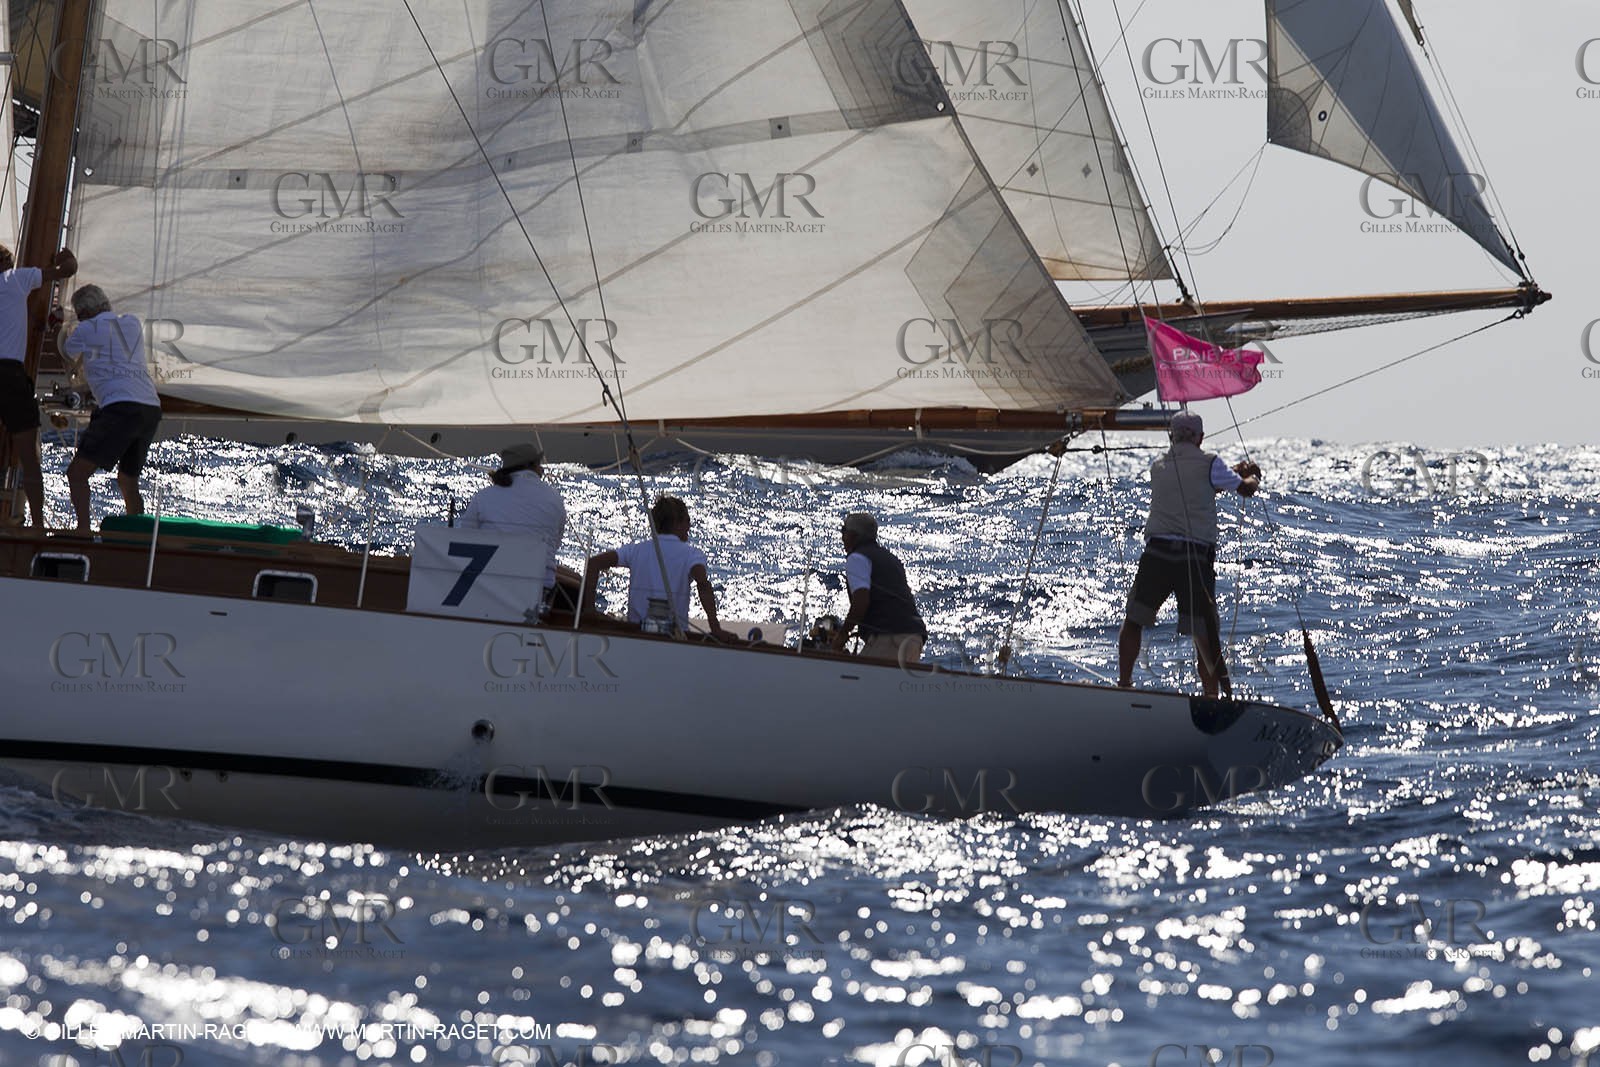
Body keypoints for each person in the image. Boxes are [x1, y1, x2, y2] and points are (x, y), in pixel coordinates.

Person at [1117, 410, 1261, 698]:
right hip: (1194, 559)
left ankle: (1124, 683)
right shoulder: (1210, 462)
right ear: (1201, 438)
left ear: (1171, 436)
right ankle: (1211, 697)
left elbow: (1194, 486)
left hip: (1157, 554)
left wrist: (1229, 472)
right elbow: (1244, 490)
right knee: (1203, 633)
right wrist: (1253, 476)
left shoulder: (1158, 465)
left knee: (1133, 621)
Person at [59, 285, 163, 534]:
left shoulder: (86, 329)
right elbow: (115, 363)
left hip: (120, 409)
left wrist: (59, 327)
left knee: (77, 474)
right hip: (150, 408)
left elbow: (66, 353)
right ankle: (137, 535)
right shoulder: (131, 323)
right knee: (128, 480)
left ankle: (83, 532)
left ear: (83, 313)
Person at [0, 243, 77, 527]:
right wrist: (65, 257)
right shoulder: (16, 278)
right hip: (10, 375)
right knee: (29, 459)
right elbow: (67, 270)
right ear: (7, 264)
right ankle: (38, 527)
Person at [582, 495, 730, 639]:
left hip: (635, 634)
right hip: (673, 636)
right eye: (687, 521)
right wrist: (715, 628)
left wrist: (589, 610)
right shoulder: (692, 555)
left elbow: (594, 563)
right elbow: (703, 585)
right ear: (677, 523)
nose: (689, 526)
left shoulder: (635, 550)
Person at [458, 442, 569, 606]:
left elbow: (464, 539)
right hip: (538, 590)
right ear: (533, 466)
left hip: (490, 585)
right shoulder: (555, 499)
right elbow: (555, 543)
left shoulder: (484, 497)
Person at [831, 511, 927, 663]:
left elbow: (861, 601)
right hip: (914, 637)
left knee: (861, 676)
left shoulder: (857, 558)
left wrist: (843, 635)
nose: (842, 537)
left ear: (854, 535)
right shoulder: (891, 558)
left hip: (890, 638)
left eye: (844, 531)